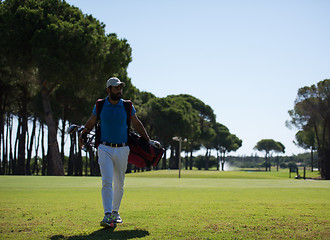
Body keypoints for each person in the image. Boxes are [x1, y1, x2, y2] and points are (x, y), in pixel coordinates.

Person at [79, 77, 159, 227]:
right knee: (107, 181)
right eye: (116, 88)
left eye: (120, 88)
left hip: (123, 149)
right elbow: (91, 121)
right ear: (108, 90)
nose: (119, 91)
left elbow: (137, 123)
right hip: (104, 148)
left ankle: (116, 212)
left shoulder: (127, 106)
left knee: (120, 183)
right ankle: (107, 214)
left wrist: (148, 141)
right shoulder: (100, 105)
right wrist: (84, 131)